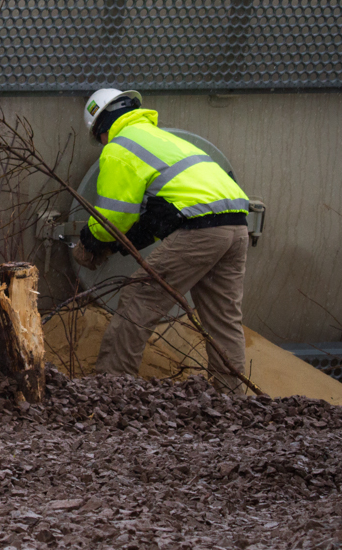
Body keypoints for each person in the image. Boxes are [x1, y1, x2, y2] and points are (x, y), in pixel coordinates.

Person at [73, 88, 251, 393]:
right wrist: (123, 241)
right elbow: (161, 216)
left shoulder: (119, 147)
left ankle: (107, 390)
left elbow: (112, 217)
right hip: (236, 225)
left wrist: (92, 241)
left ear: (102, 129)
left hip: (201, 228)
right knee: (223, 319)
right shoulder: (165, 140)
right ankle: (232, 399)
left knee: (137, 300)